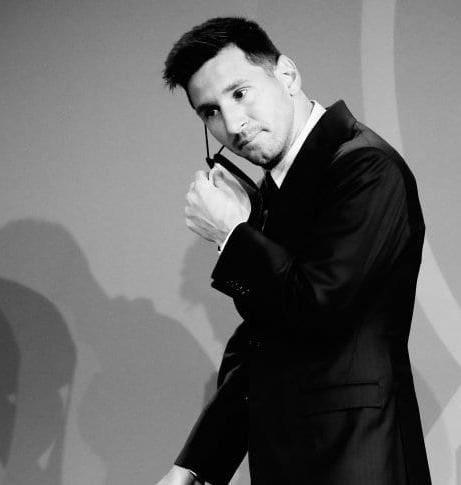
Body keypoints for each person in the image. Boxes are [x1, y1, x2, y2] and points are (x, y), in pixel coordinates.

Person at [156, 17, 432, 485]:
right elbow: (264, 343)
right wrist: (195, 466)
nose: (233, 124)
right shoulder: (276, 190)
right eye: (211, 112)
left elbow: (316, 307)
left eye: (240, 93)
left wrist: (232, 233)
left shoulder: (366, 166)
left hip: (357, 461)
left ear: (287, 75)